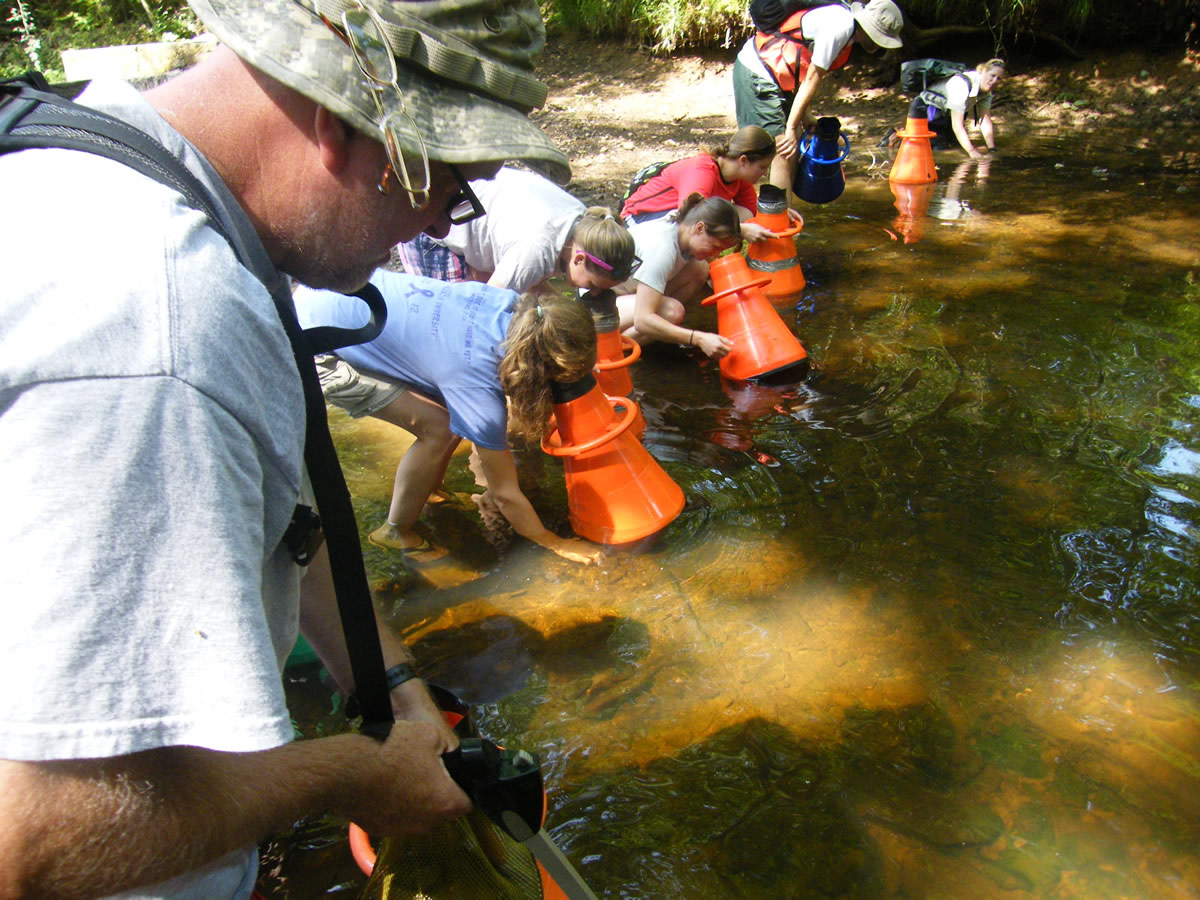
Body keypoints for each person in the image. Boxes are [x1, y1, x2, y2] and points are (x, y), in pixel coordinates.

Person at [0, 0, 573, 895]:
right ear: (337, 124)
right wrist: (351, 773)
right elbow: (31, 843)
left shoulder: (97, 154)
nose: (433, 226)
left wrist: (395, 689)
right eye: (444, 183)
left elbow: (286, 524)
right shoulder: (158, 336)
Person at [294, 272, 604, 566]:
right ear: (540, 373)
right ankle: (395, 532)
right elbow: (506, 495)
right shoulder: (476, 384)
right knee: (439, 429)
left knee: (454, 418)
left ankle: (428, 489)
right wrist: (554, 542)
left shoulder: (519, 310)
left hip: (332, 290)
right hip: (315, 342)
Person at [733, 0, 905, 192]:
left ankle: (785, 215)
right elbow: (811, 80)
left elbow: (801, 68)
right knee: (782, 149)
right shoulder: (839, 28)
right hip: (758, 71)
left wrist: (805, 117)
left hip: (778, 78)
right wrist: (789, 128)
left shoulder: (846, 31)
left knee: (795, 142)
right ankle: (770, 216)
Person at [396, 165, 638, 293]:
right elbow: (485, 307)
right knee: (453, 317)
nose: (593, 294)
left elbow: (529, 282)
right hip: (432, 224)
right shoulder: (536, 250)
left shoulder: (584, 223)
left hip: (472, 219)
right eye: (593, 286)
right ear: (580, 258)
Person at [620, 125, 802, 242]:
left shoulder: (738, 178)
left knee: (738, 214)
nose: (764, 174)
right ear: (744, 160)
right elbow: (689, 218)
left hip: (677, 218)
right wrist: (741, 231)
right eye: (762, 167)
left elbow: (750, 213)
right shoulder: (702, 172)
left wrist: (777, 214)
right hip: (639, 221)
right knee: (705, 227)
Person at [615, 193, 743, 357]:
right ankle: (613, 347)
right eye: (715, 246)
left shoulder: (680, 226)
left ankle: (659, 330)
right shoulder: (662, 248)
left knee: (699, 269)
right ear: (699, 228)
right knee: (672, 312)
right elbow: (642, 319)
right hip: (601, 308)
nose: (716, 254)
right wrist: (697, 339)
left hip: (629, 295)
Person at [925, 58, 1005, 158]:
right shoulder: (961, 85)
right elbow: (957, 125)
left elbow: (985, 121)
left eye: (998, 78)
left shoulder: (986, 93)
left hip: (950, 112)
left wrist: (992, 149)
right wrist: (972, 151)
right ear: (984, 71)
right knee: (939, 150)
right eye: (992, 75)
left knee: (959, 147)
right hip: (931, 109)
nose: (994, 81)